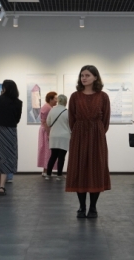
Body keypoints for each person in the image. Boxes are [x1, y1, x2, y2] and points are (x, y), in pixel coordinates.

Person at [65, 65, 111, 218]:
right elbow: (71, 119)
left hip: (97, 137)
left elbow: (105, 120)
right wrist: (79, 131)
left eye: (87, 75)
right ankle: (82, 206)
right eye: (82, 75)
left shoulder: (103, 96)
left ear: (95, 77)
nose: (84, 78)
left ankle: (93, 207)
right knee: (80, 169)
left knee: (96, 169)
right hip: (79, 136)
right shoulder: (75, 96)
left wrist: (97, 132)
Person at [0, 80, 23, 196]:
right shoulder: (18, 102)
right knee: (7, 158)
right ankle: (1, 185)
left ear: (4, 88)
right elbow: (17, 119)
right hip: (10, 132)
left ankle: (1, 185)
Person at [46, 94, 70, 180]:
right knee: (61, 157)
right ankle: (59, 175)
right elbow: (70, 125)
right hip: (64, 136)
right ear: (66, 102)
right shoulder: (67, 112)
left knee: (53, 156)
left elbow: (48, 123)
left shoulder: (52, 110)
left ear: (58, 101)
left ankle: (48, 174)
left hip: (54, 136)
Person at [38, 91, 58, 176]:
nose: (57, 101)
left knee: (47, 150)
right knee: (48, 150)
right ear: (50, 99)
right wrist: (49, 134)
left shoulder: (48, 107)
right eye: (55, 99)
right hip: (46, 131)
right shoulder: (47, 108)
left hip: (46, 130)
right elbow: (45, 122)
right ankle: (46, 171)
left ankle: (46, 170)